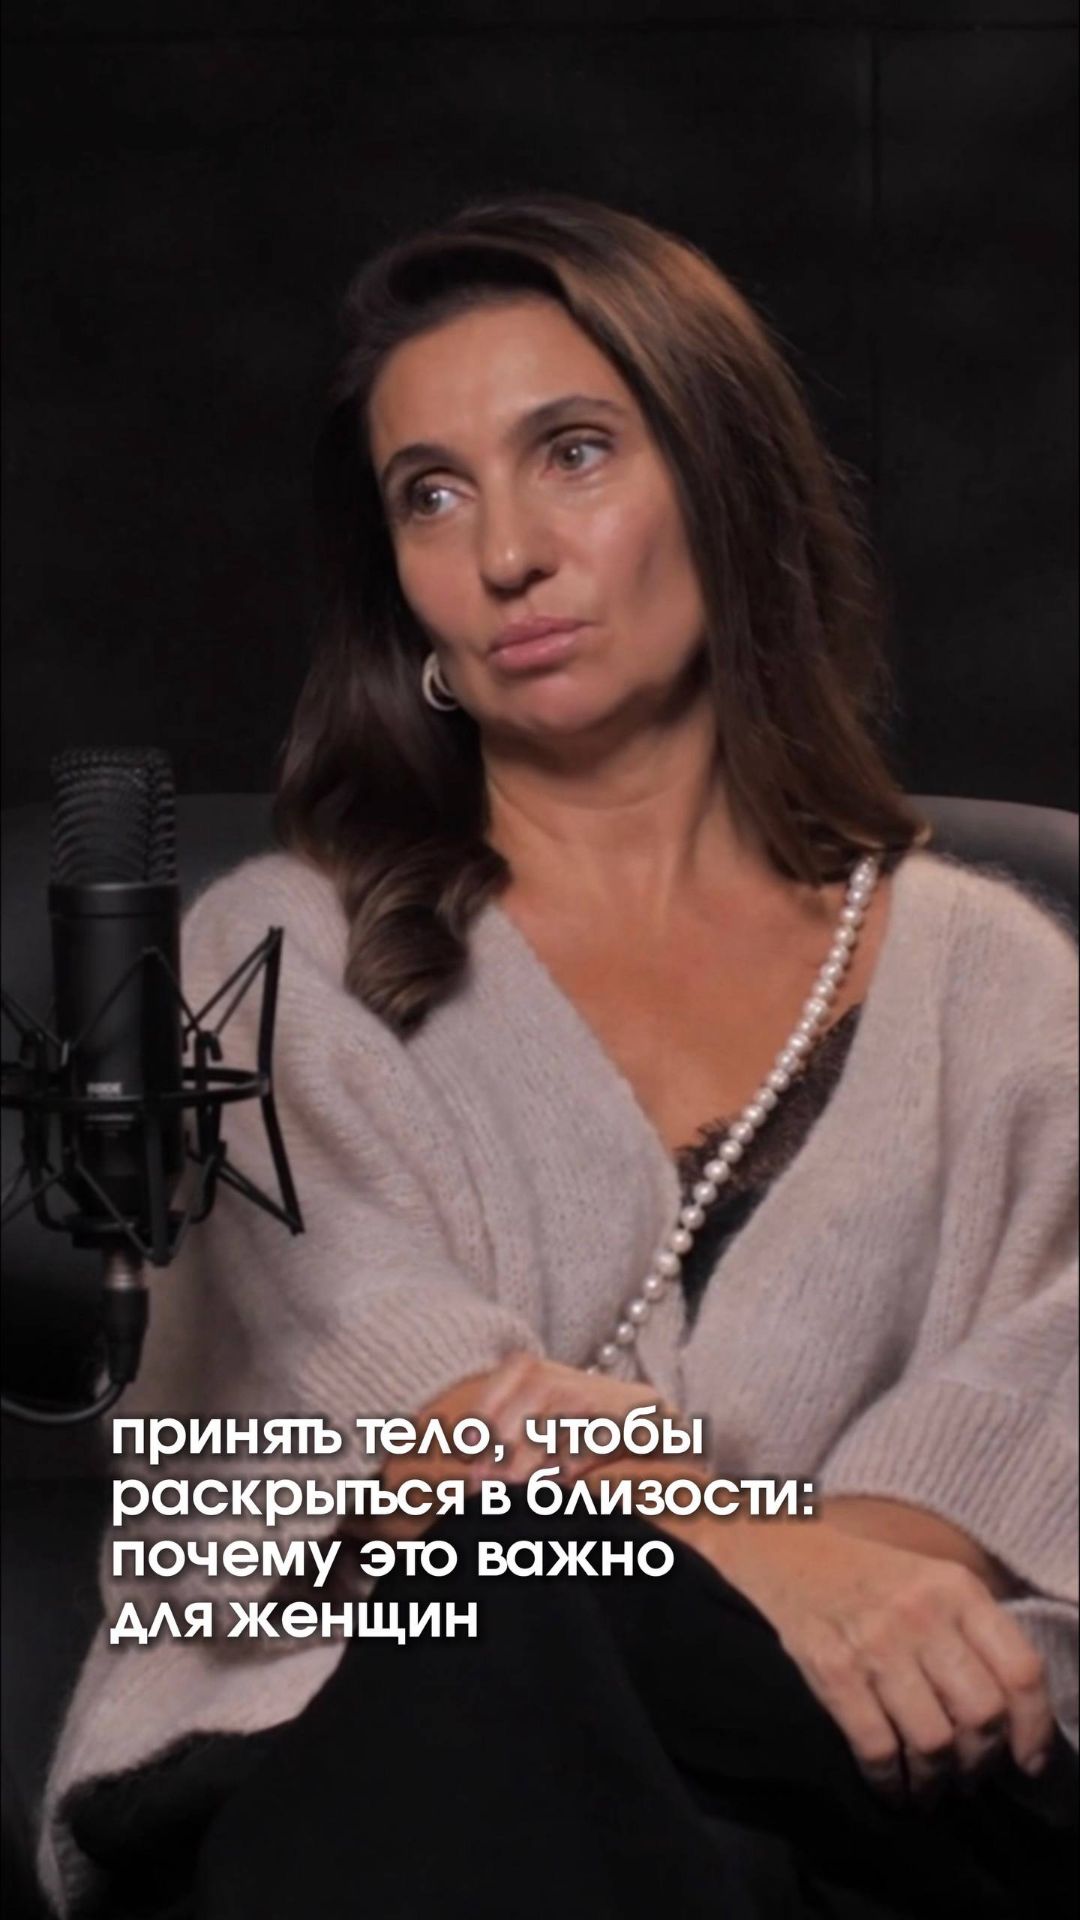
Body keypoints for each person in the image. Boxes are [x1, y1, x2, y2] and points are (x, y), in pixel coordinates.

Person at [38, 191, 1077, 1919]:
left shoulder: (1000, 982)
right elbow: (369, 1438)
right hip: (371, 1758)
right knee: (501, 1606)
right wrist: (744, 1541)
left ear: (724, 485)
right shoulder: (276, 962)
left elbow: (1027, 1446)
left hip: (872, 1783)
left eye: (574, 453)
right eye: (430, 495)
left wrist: (637, 1505)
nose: (504, 553)